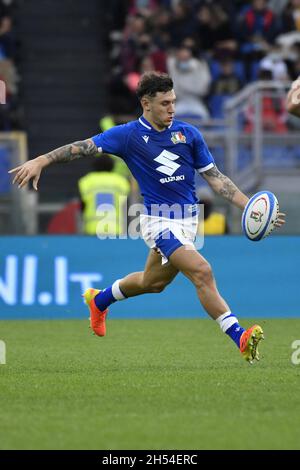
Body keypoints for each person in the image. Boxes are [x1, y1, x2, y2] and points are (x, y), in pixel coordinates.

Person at [9, 72, 286, 364]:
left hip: (189, 222)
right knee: (202, 272)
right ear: (146, 103)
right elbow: (82, 147)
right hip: (159, 222)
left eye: (173, 102)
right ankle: (239, 336)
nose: (172, 108)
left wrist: (250, 206)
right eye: (165, 103)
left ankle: (99, 299)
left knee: (153, 282)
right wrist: (42, 160)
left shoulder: (188, 134)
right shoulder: (127, 135)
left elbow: (216, 179)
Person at [78, 154, 130, 236]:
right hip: (115, 228)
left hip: (92, 228)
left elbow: (81, 207)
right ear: (112, 166)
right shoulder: (121, 182)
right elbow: (126, 206)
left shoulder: (86, 181)